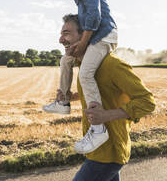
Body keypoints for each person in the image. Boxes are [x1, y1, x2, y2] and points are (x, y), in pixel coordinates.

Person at [20, 0, 118, 154]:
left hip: (104, 36)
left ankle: (99, 129)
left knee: (85, 74)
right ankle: (63, 101)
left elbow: (94, 16)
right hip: (92, 37)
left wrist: (82, 43)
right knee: (65, 60)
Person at [58, 14, 156, 181]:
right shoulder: (85, 67)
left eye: (67, 33)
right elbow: (102, 93)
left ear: (85, 36)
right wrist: (72, 96)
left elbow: (147, 102)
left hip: (108, 153)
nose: (61, 39)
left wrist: (106, 115)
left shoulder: (112, 65)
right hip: (96, 149)